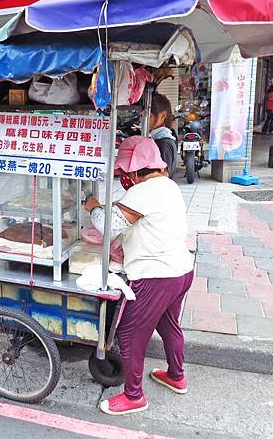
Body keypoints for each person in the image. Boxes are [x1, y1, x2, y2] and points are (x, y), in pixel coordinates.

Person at [84, 136, 194, 416]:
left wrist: (92, 205)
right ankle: (176, 376)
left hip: (156, 277)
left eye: (123, 172)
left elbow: (106, 223)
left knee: (130, 332)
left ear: (135, 170)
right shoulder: (168, 185)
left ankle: (134, 396)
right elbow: (144, 227)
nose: (122, 177)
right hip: (181, 270)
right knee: (169, 325)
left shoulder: (143, 192)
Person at [149, 93, 178, 179]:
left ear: (163, 115)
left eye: (149, 116)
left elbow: (165, 175)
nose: (144, 120)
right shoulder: (157, 138)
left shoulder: (164, 142)